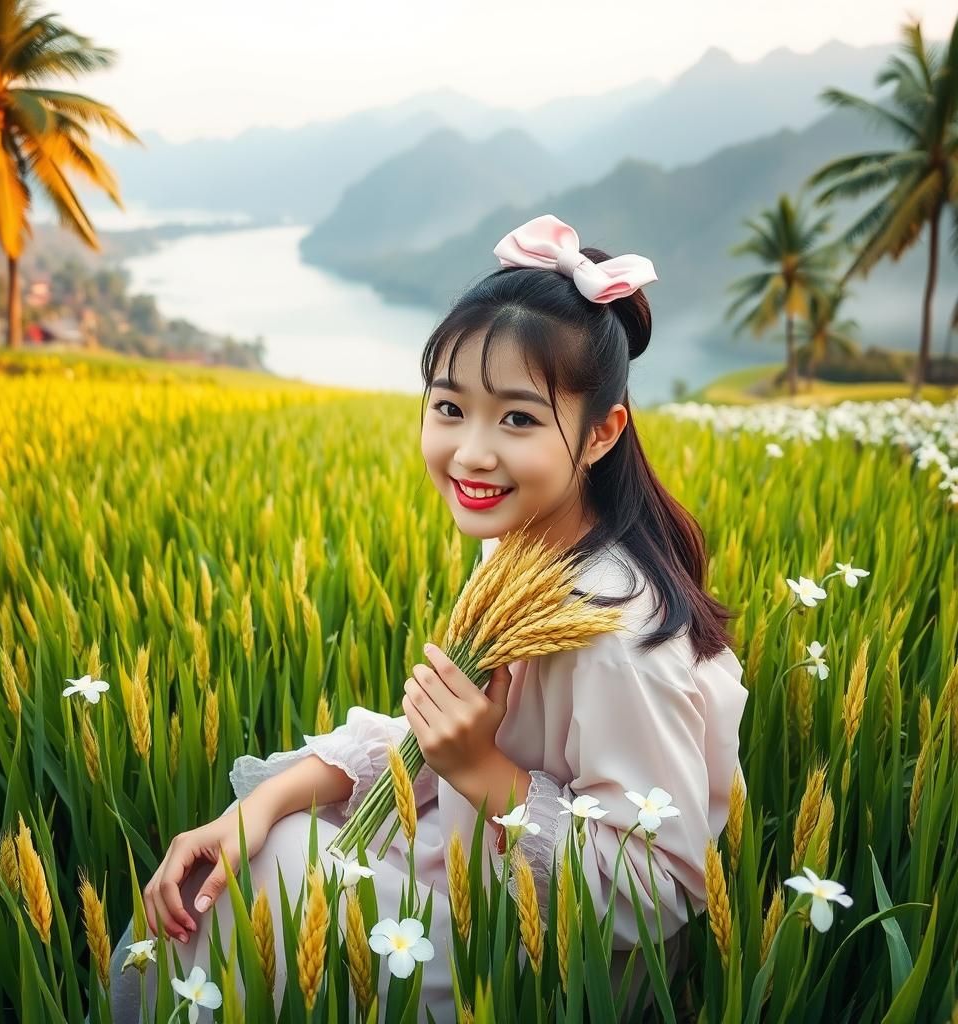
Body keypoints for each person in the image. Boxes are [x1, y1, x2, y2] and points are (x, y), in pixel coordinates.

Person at [108, 213, 749, 1022]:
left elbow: (661, 891)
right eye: (450, 408)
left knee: (259, 904)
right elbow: (428, 741)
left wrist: (480, 767)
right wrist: (257, 805)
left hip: (554, 956)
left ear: (601, 434)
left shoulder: (616, 634)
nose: (471, 452)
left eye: (517, 419)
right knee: (243, 863)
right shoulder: (516, 549)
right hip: (475, 856)